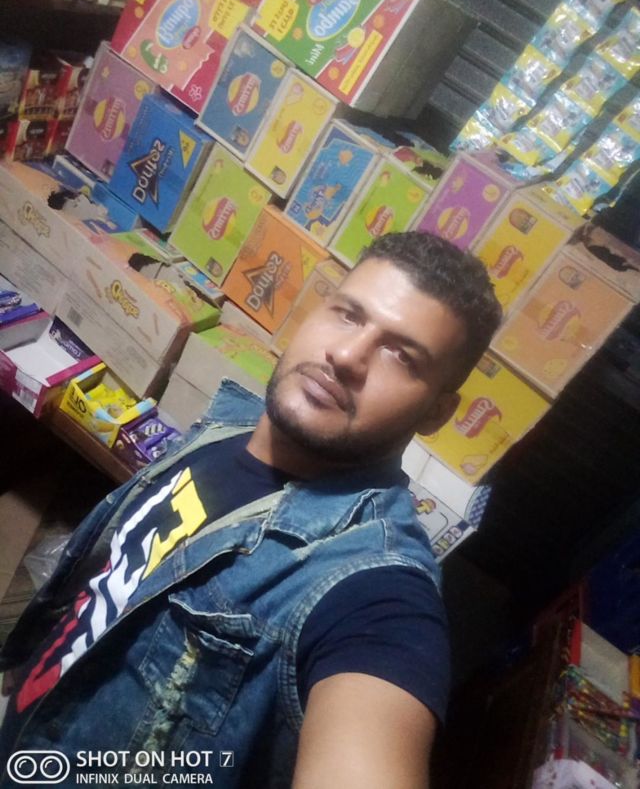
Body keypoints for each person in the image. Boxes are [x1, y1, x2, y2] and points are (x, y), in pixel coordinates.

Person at [0, 231, 502, 788]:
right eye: (348, 314)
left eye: (401, 355)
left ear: (436, 412)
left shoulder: (375, 592)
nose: (346, 356)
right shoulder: (231, 426)